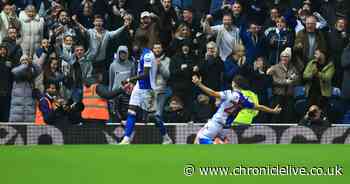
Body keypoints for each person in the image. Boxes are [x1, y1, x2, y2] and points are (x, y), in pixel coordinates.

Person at [192, 75, 282, 144]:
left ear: (234, 83)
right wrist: (272, 111)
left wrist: (199, 84)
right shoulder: (245, 100)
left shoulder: (229, 93)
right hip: (226, 127)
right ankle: (221, 144)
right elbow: (259, 107)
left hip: (216, 123)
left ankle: (217, 144)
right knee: (219, 140)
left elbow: (213, 93)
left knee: (200, 139)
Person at [119, 34, 173, 144]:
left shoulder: (148, 55)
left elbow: (145, 74)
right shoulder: (142, 54)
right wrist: (134, 83)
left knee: (153, 117)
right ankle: (126, 138)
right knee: (131, 112)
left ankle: (166, 137)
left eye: (135, 43)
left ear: (140, 44)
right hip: (139, 87)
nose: (133, 46)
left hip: (148, 89)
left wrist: (129, 79)